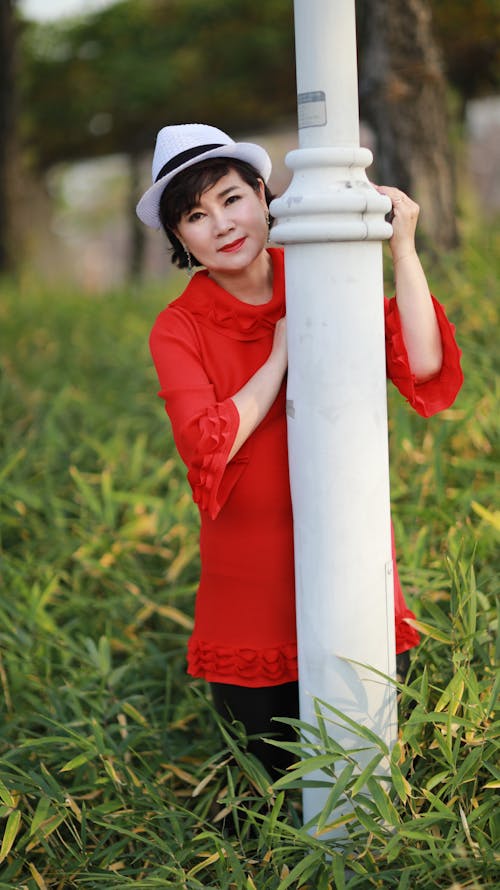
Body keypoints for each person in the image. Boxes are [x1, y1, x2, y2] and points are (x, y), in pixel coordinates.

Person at [136, 124, 463, 780]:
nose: (222, 224)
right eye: (196, 217)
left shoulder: (318, 273)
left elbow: (423, 362)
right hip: (249, 587)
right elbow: (209, 441)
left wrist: (401, 247)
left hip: (352, 561)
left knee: (374, 770)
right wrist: (283, 354)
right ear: (179, 239)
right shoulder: (179, 327)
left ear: (263, 194)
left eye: (231, 199)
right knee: (266, 787)